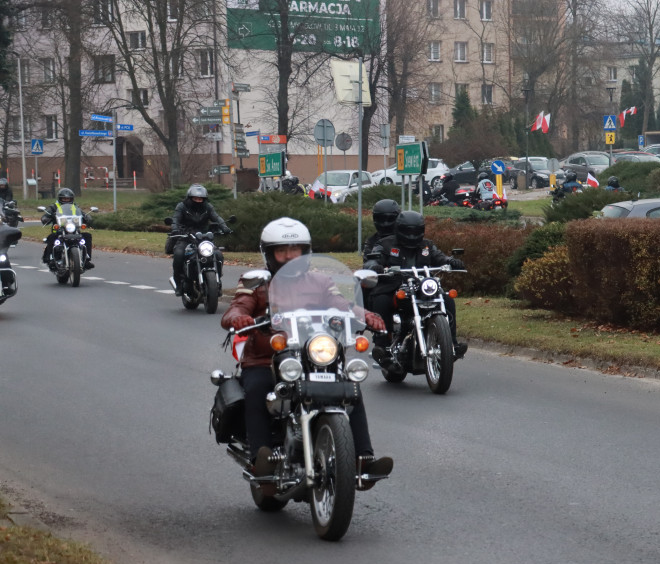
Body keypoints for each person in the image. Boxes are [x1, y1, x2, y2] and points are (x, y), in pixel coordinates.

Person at [220, 218, 393, 486]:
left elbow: (341, 305)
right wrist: (239, 318)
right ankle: (260, 458)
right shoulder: (256, 282)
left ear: (306, 252)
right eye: (282, 251)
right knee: (257, 388)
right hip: (268, 358)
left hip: (315, 355)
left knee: (350, 388)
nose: (289, 256)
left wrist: (365, 314)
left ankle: (362, 459)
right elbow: (237, 308)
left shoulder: (321, 281)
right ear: (269, 254)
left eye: (295, 250)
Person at [363, 210, 467, 364]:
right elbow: (374, 257)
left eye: (416, 231)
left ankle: (451, 343)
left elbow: (440, 257)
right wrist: (374, 265)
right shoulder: (385, 244)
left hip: (420, 286)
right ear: (399, 229)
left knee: (447, 299)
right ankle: (382, 345)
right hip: (394, 286)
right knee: (381, 301)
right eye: (407, 231)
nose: (412, 235)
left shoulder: (427, 246)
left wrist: (451, 261)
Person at [169, 184, 230, 295]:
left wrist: (224, 227)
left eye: (200, 199)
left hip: (204, 237)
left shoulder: (208, 207)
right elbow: (175, 220)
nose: (198, 201)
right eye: (195, 198)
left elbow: (216, 217)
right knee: (178, 255)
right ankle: (179, 284)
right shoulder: (182, 206)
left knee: (218, 255)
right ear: (190, 198)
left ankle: (217, 282)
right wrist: (175, 229)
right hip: (186, 236)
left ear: (204, 199)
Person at [41, 188, 94, 269]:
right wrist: (46, 218)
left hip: (74, 231)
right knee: (52, 238)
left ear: (72, 199)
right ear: (60, 198)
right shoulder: (54, 207)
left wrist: (87, 217)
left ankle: (86, 259)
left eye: (68, 199)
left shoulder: (75, 207)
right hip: (59, 231)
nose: (66, 200)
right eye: (64, 199)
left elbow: (83, 214)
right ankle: (50, 259)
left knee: (87, 236)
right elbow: (45, 216)